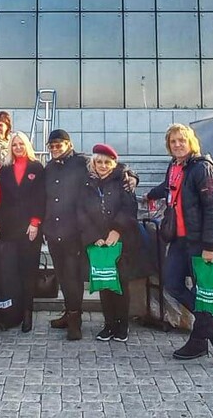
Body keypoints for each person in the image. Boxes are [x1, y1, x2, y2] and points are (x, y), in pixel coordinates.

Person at [145, 123, 213, 366]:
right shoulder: (174, 166)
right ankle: (212, 328)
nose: (177, 145)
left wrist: (210, 245)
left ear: (191, 142)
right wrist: (149, 194)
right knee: (172, 283)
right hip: (178, 239)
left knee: (200, 292)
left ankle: (200, 340)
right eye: (173, 141)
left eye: (181, 140)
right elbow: (168, 188)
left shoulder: (203, 168)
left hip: (199, 242)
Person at [44, 129, 139, 340]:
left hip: (78, 233)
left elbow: (115, 167)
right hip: (58, 231)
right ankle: (75, 315)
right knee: (68, 277)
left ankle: (78, 320)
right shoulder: (49, 167)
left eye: (59, 144)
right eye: (52, 146)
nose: (55, 148)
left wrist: (131, 176)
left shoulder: (82, 162)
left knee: (79, 277)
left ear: (69, 144)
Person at [78, 144, 143, 343]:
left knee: (120, 283)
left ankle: (122, 325)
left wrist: (117, 230)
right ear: (93, 163)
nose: (103, 166)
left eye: (107, 162)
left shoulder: (123, 181)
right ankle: (109, 324)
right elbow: (81, 211)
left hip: (120, 241)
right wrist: (93, 236)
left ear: (113, 163)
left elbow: (129, 208)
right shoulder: (87, 183)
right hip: (98, 242)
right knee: (104, 282)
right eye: (99, 162)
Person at [0, 131, 46, 332]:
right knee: (12, 271)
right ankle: (13, 312)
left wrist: (35, 222)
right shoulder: (5, 169)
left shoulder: (36, 168)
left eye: (21, 144)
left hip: (29, 228)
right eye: (14, 145)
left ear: (27, 146)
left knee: (28, 271)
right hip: (8, 227)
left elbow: (40, 196)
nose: (18, 147)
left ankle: (27, 313)